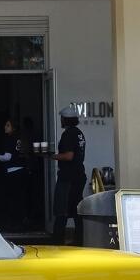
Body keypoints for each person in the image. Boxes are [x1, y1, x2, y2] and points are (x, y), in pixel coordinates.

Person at [54, 104, 87, 244]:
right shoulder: (79, 133)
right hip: (79, 175)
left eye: (62, 118)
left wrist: (52, 156)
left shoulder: (68, 134)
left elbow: (68, 156)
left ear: (65, 120)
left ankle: (57, 240)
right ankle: (80, 239)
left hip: (68, 177)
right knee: (76, 209)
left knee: (62, 209)